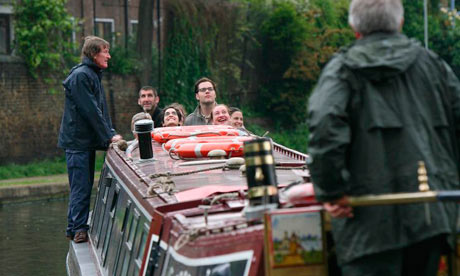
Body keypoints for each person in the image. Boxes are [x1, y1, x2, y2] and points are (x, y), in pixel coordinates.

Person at [307, 0, 460, 275]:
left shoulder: (340, 70)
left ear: (354, 27)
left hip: (365, 221)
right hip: (430, 217)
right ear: (400, 23)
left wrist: (331, 190)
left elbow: (325, 126)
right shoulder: (434, 66)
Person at [58, 36, 122, 243]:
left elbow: (99, 110)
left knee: (82, 185)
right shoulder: (81, 76)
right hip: (78, 143)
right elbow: (90, 111)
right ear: (94, 54)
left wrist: (109, 132)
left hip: (84, 143)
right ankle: (78, 229)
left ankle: (74, 227)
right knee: (81, 187)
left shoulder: (91, 74)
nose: (109, 55)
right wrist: (109, 136)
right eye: (105, 51)